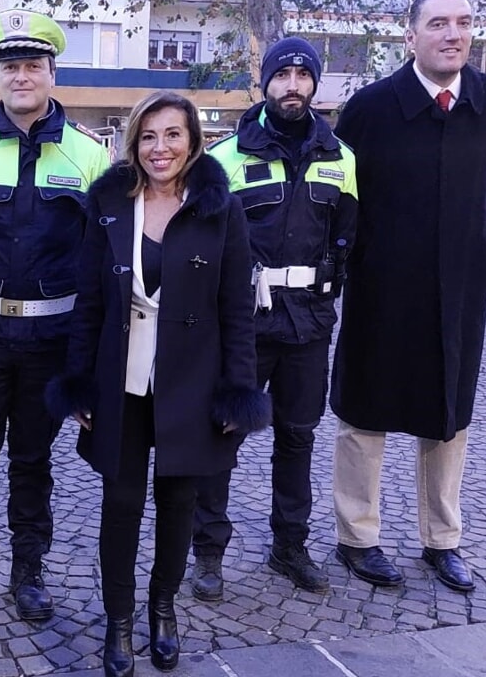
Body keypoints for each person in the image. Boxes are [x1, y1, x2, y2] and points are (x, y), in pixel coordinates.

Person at [47, 91, 269, 676]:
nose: (160, 148)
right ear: (133, 143)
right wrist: (79, 383)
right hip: (120, 379)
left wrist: (236, 390)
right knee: (120, 504)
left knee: (178, 503)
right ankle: (118, 622)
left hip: (191, 381)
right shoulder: (111, 203)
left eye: (172, 135)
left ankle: (163, 610)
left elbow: (237, 310)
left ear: (193, 140)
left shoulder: (221, 208)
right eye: (148, 136)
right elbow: (90, 300)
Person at [329, 0, 486, 593]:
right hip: (382, 286)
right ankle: (358, 537)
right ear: (410, 36)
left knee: (449, 413)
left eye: (463, 22)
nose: (453, 34)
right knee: (366, 411)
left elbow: (484, 183)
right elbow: (345, 199)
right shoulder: (369, 108)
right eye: (438, 23)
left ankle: (443, 539)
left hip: (460, 285)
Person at [0, 9, 110, 624]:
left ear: (51, 73)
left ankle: (28, 569)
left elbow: (100, 259)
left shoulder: (91, 159)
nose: (21, 76)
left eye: (32, 65)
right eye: (9, 66)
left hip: (51, 338)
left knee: (33, 462)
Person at [191, 37, 358, 599]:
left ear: (315, 84)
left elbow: (349, 238)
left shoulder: (342, 157)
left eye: (302, 75)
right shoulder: (223, 158)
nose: (293, 84)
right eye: (282, 75)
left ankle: (290, 546)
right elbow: (201, 250)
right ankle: (208, 552)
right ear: (264, 83)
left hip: (310, 325)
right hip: (244, 327)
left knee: (298, 438)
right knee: (223, 435)